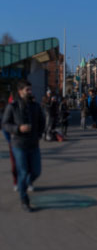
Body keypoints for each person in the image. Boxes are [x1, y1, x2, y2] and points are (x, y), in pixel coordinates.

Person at [3, 81, 45, 212]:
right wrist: (18, 128)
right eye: (27, 90)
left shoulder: (35, 106)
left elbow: (42, 121)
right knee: (23, 172)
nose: (30, 92)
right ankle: (24, 199)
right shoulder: (12, 106)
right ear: (20, 91)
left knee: (36, 171)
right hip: (19, 144)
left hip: (33, 144)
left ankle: (24, 184)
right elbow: (5, 124)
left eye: (30, 89)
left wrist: (38, 134)